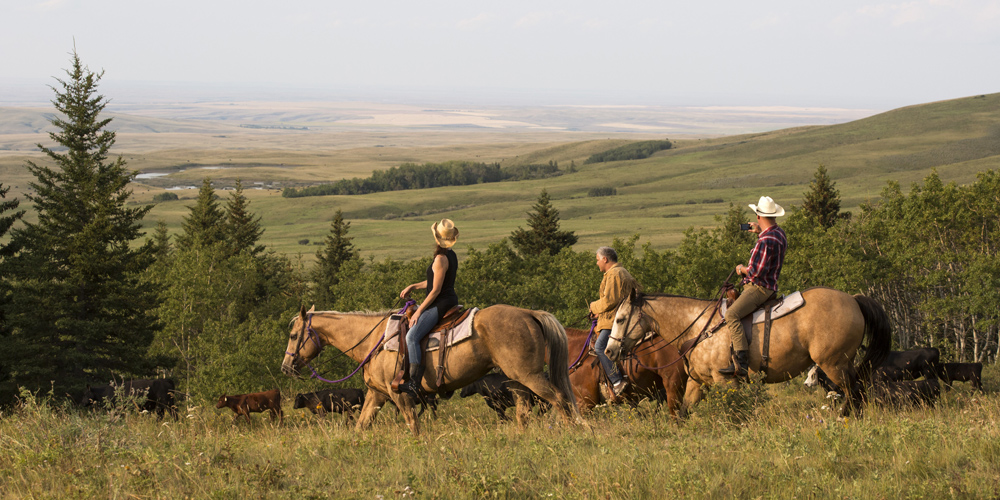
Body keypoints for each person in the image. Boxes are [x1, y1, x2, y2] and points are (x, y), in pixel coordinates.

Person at [720, 196, 788, 379]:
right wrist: (759, 232)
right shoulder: (778, 233)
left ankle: (741, 363)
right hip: (769, 286)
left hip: (759, 288)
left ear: (758, 215)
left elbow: (755, 271)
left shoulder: (765, 240)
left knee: (731, 315)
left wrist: (741, 269)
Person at [399, 219, 460, 396]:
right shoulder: (451, 254)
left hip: (440, 303)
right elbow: (434, 281)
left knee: (411, 336)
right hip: (447, 299)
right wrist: (413, 286)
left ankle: (414, 383)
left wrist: (419, 311)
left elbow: (435, 290)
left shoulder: (440, 258)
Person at [589, 246, 639, 396]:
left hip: (614, 321)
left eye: (597, 260)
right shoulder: (618, 272)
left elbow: (610, 300)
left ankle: (617, 381)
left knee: (600, 346)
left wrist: (593, 306)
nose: (597, 263)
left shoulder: (614, 274)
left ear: (605, 259)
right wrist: (599, 313)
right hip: (612, 316)